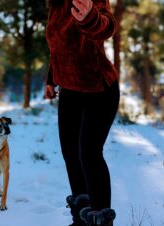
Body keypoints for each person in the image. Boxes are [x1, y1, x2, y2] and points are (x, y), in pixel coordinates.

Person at [44, 0, 120, 225]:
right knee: (70, 153)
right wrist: (51, 79)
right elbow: (59, 47)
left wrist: (90, 17)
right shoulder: (55, 7)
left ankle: (101, 219)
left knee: (89, 152)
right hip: (70, 90)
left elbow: (107, 25)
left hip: (98, 87)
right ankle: (82, 218)